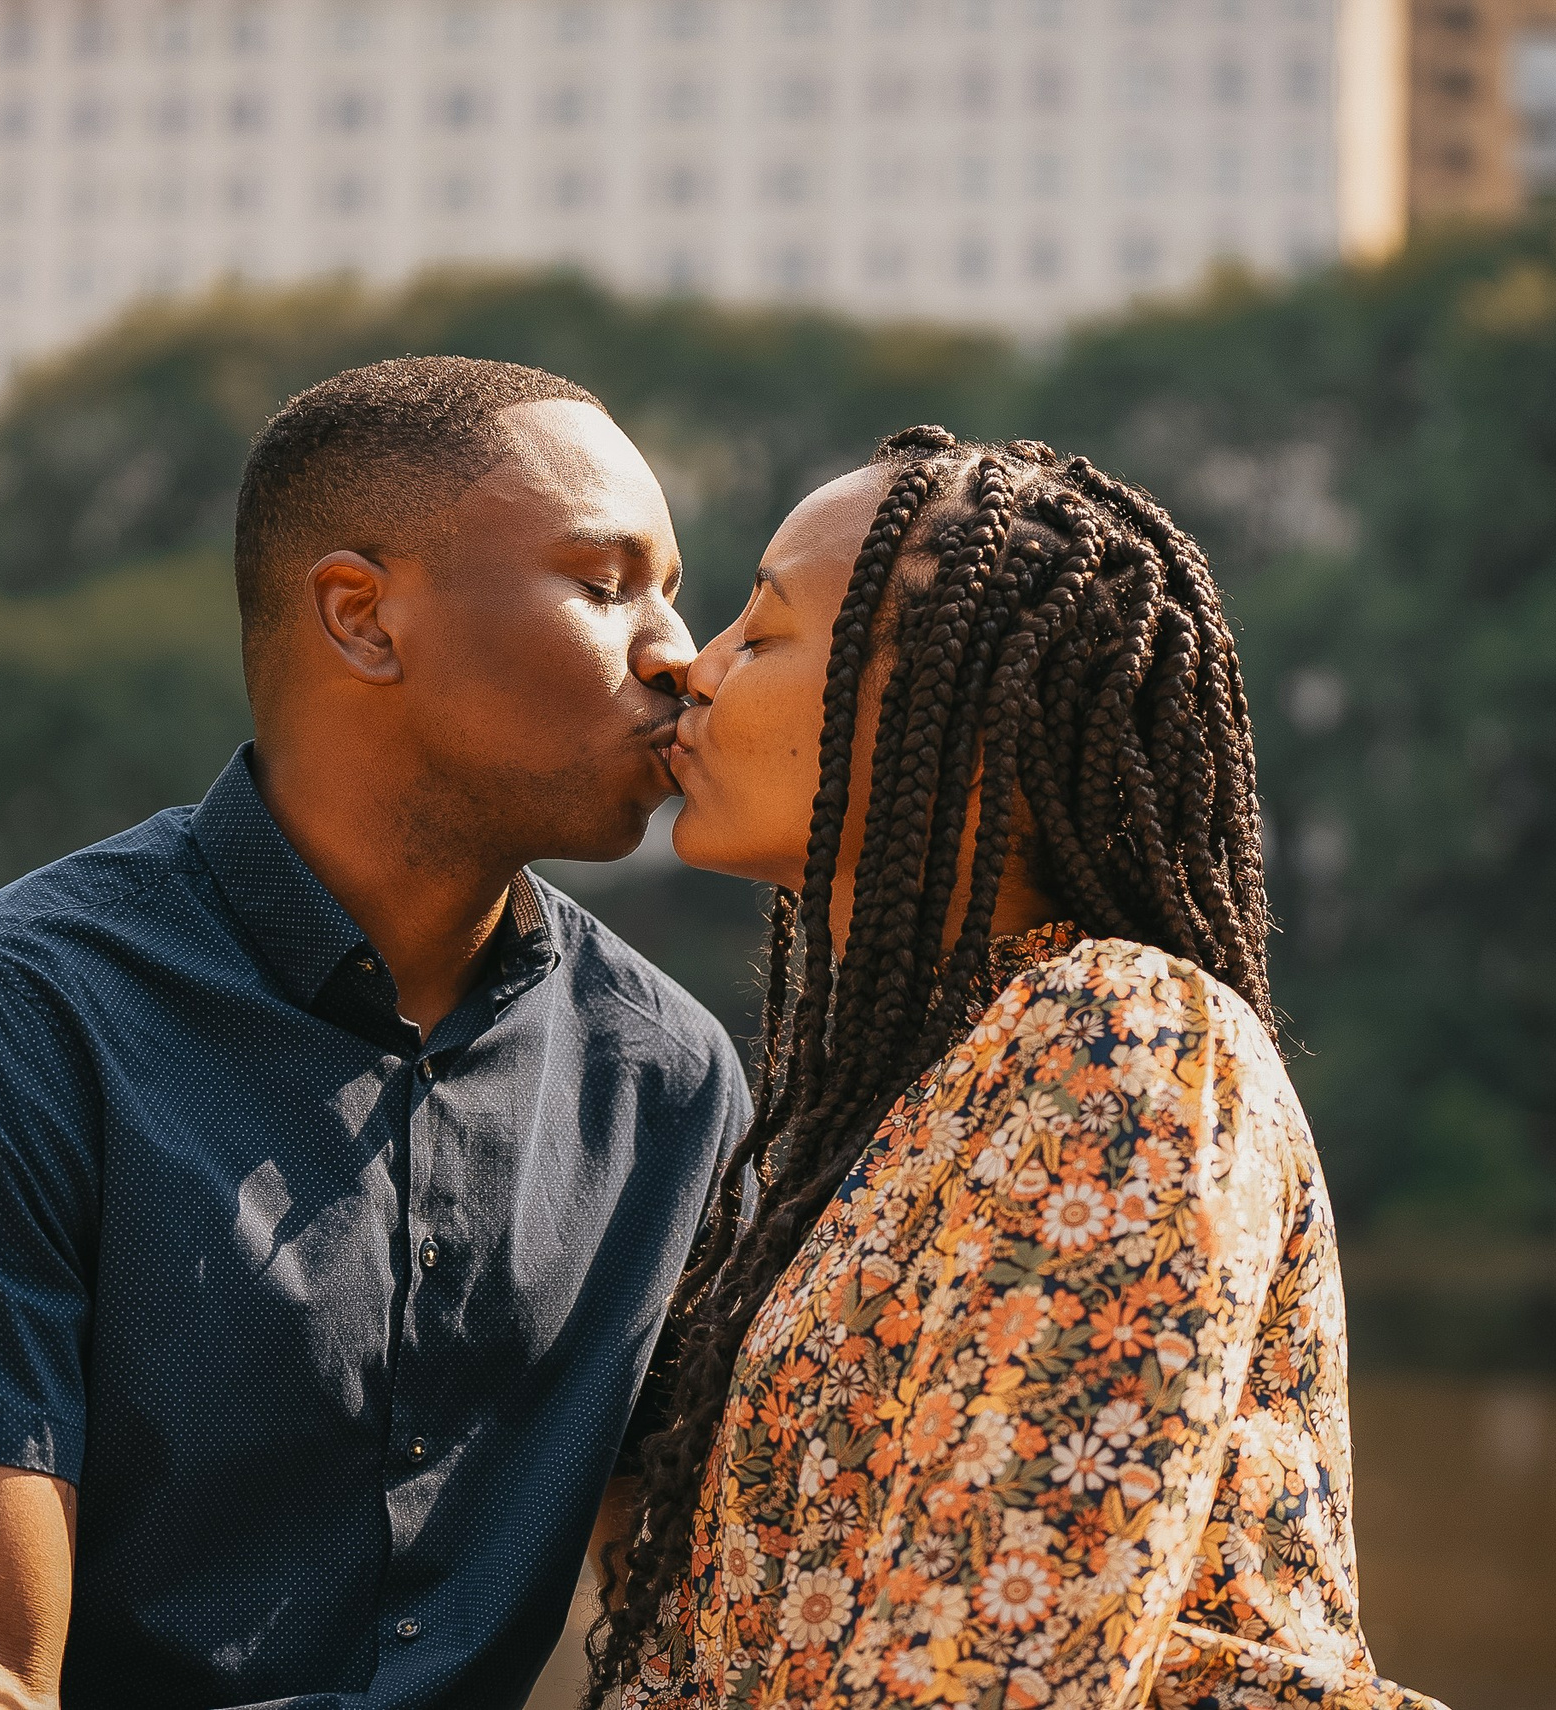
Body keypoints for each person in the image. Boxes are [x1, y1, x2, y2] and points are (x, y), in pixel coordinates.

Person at [0, 358, 750, 1710]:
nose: (678, 650)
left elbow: (711, 1604)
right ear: (362, 618)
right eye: (606, 585)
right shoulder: (13, 1018)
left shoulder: (673, 1083)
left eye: (674, 591)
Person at [588, 431, 1443, 1709]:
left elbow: (991, 1667)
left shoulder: (1124, 1039)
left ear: (964, 715)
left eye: (758, 635)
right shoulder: (901, 1098)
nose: (688, 667)